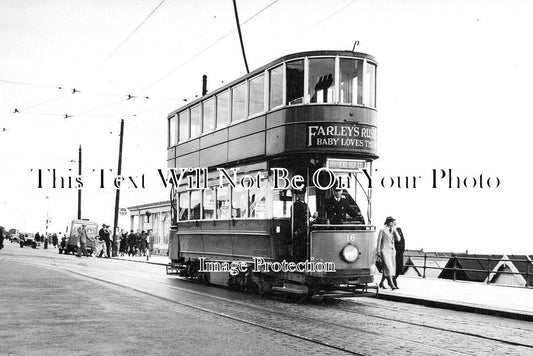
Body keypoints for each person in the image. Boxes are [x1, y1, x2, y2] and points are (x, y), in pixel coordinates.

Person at [292, 189, 317, 261]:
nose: (301, 195)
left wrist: (314, 218)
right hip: (300, 230)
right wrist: (298, 230)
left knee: (305, 248)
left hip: (306, 229)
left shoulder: (306, 205)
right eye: (299, 194)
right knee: (300, 248)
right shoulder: (295, 206)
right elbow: (296, 220)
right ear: (296, 196)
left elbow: (308, 218)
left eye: (302, 194)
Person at [376, 216, 398, 290]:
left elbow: (398, 239)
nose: (392, 223)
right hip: (384, 251)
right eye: (391, 222)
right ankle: (391, 284)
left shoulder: (393, 230)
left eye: (393, 222)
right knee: (388, 267)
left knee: (388, 268)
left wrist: (395, 230)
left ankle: (381, 282)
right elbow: (379, 241)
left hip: (392, 251)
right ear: (388, 222)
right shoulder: (382, 230)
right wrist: (378, 251)